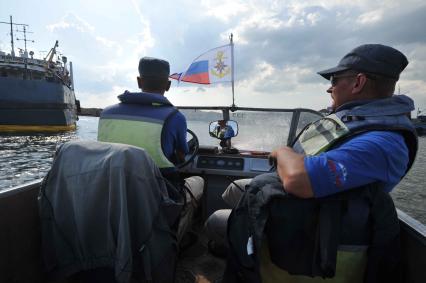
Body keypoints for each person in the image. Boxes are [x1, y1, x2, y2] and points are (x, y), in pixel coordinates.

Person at [207, 44, 418, 282]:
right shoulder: (357, 124)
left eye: (335, 80)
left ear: (358, 82)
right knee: (236, 191)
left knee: (215, 221)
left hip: (320, 237)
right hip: (308, 211)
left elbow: (299, 180)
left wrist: (283, 151)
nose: (330, 88)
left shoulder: (381, 143)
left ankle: (247, 255)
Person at [98, 57, 204, 242]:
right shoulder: (174, 117)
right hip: (157, 196)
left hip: (113, 191)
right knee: (199, 183)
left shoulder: (106, 114)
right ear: (168, 85)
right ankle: (174, 241)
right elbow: (181, 156)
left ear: (139, 81)